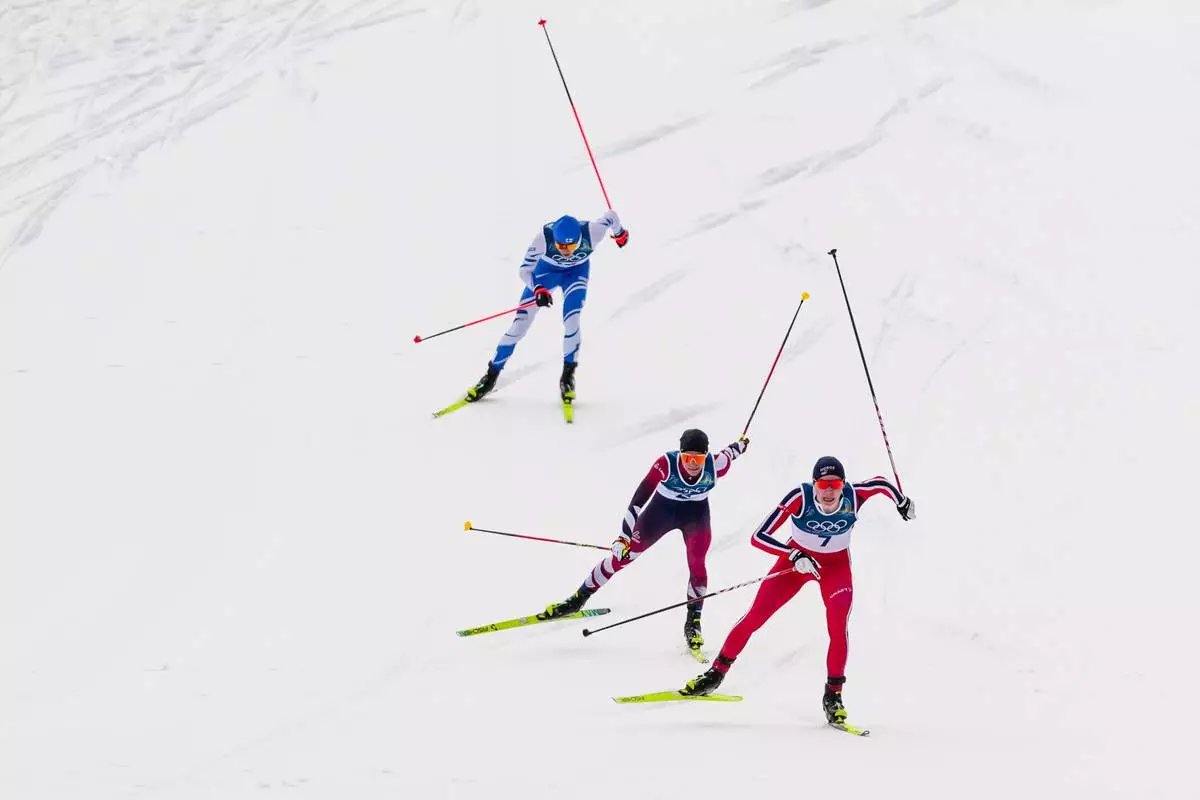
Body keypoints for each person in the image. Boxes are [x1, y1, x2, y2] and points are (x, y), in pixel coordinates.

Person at [679, 456, 915, 725]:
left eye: (835, 484)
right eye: (823, 484)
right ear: (814, 484)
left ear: (843, 485)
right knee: (755, 617)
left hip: (835, 568)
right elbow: (759, 536)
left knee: (838, 628)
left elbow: (882, 483)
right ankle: (715, 674)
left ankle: (833, 696)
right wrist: (794, 555)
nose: (828, 491)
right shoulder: (799, 497)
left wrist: (901, 501)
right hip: (795, 565)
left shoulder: (854, 495)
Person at [538, 428, 748, 650]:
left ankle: (693, 622)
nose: (693, 464)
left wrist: (741, 445)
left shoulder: (716, 465)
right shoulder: (666, 464)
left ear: (706, 456)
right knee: (623, 557)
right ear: (680, 454)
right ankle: (578, 599)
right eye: (687, 458)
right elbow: (638, 501)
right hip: (660, 513)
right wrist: (623, 538)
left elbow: (731, 452)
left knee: (697, 564)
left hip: (695, 517)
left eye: (698, 458)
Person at [465, 211, 628, 404]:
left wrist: (620, 234)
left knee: (572, 319)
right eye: (561, 246)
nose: (566, 251)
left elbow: (611, 217)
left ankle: (568, 376)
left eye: (572, 246)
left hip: (575, 274)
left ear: (579, 240)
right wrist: (538, 288)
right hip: (546, 273)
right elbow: (524, 270)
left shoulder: (592, 232)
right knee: (519, 326)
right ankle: (490, 376)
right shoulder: (544, 238)